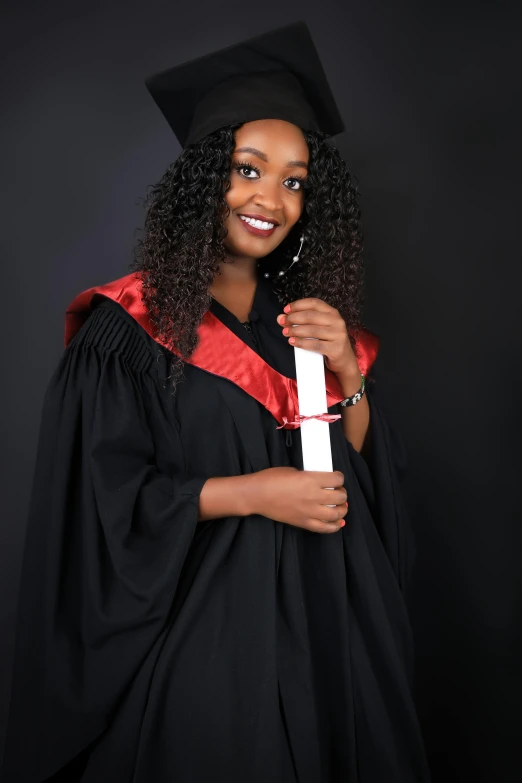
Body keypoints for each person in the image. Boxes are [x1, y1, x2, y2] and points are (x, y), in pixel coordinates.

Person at [1, 21, 431, 783]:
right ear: (206, 178)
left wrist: (344, 370)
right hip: (206, 639)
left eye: (295, 180)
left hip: (328, 623)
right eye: (248, 169)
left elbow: (353, 470)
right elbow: (104, 504)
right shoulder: (129, 328)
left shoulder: (300, 322)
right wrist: (255, 493)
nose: (272, 198)